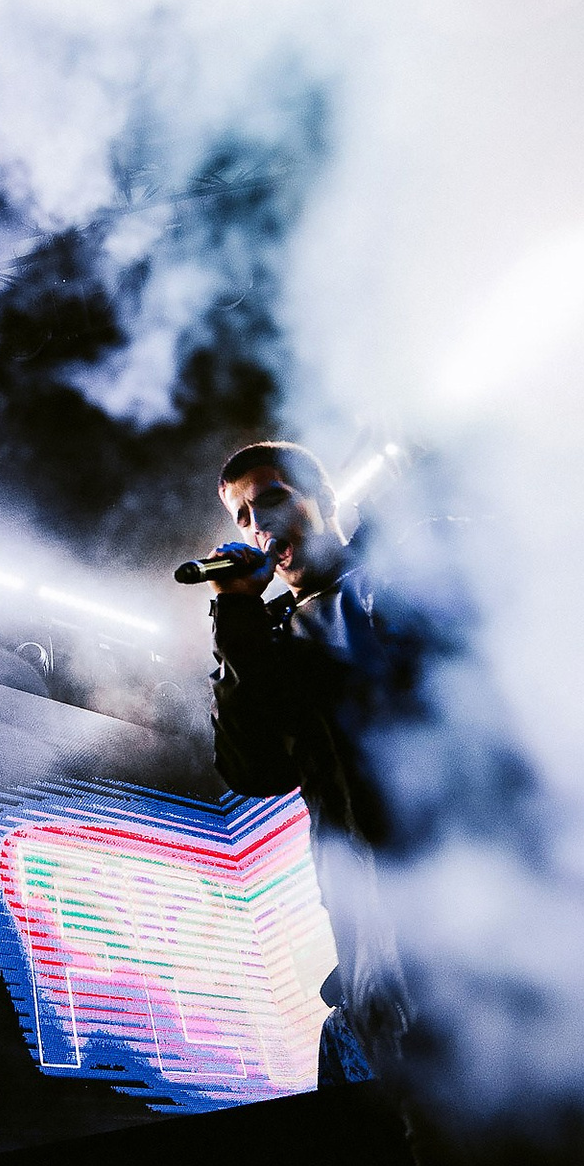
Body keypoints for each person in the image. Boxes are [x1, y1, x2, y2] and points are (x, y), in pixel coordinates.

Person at [202, 439, 416, 1087]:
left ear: (321, 498)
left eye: (270, 499)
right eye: (242, 517)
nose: (257, 525)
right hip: (366, 922)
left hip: (469, 886)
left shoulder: (392, 578)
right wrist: (237, 617)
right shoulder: (266, 640)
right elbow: (254, 769)